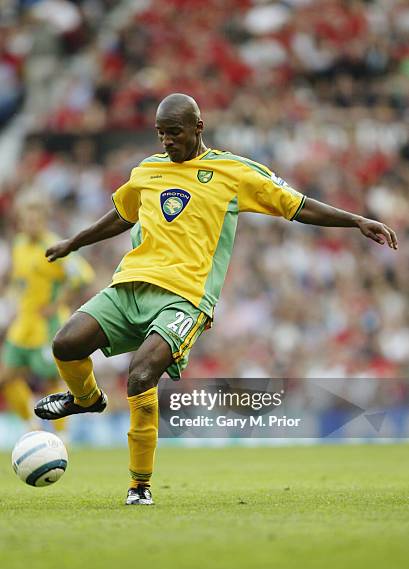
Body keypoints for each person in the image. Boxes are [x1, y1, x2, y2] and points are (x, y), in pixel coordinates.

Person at [34, 93, 398, 505]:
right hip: (130, 285)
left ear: (198, 128)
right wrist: (73, 243)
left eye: (174, 133)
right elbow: (122, 214)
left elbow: (296, 205)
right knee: (65, 344)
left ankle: (139, 486)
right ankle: (86, 399)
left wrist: (356, 220)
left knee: (140, 376)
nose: (167, 141)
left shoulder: (232, 172)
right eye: (161, 134)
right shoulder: (147, 171)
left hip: (185, 299)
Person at [0, 189, 95, 436]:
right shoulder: (19, 244)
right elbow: (15, 277)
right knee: (6, 377)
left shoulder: (54, 246)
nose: (30, 224)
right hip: (23, 324)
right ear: (20, 220)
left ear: (44, 219)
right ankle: (30, 425)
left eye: (35, 219)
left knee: (52, 381)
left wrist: (58, 303)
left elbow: (83, 276)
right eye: (26, 219)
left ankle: (61, 436)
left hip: (48, 324)